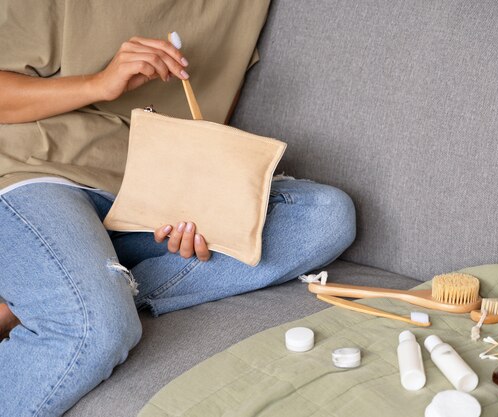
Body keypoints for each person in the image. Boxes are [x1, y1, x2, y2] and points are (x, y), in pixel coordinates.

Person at [0, 2, 356, 416]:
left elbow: (208, 109)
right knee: (94, 331)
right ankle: (78, 295)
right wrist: (101, 83)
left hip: (160, 186)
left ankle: (54, 294)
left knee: (325, 216)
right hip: (37, 172)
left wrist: (206, 199)